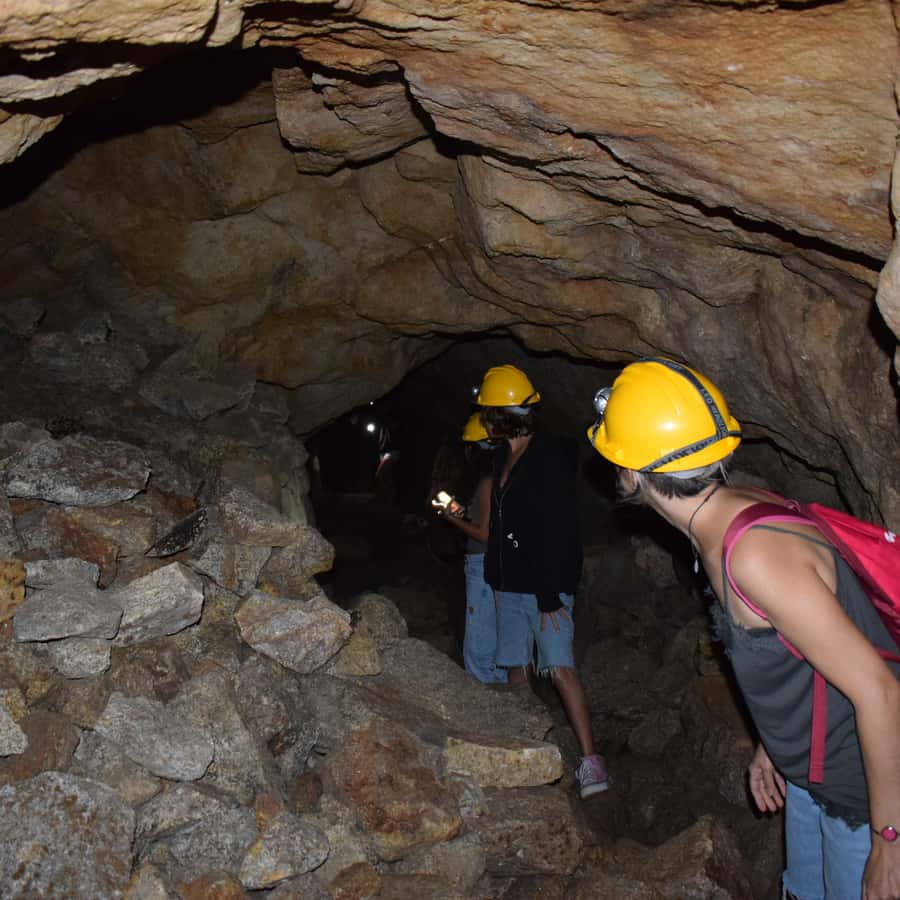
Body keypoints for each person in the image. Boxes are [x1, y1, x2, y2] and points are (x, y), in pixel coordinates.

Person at [586, 356, 900, 900]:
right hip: (808, 776)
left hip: (861, 796)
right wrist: (772, 743)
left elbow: (880, 692)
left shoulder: (752, 554)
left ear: (632, 473)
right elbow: (790, 652)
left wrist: (888, 842)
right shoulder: (726, 517)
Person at [474, 364, 609, 799]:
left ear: (503, 414)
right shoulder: (502, 455)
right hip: (509, 583)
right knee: (516, 666)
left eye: (489, 412)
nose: (485, 420)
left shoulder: (548, 456)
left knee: (559, 666)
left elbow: (557, 528)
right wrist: (496, 576)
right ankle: (530, 746)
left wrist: (551, 594)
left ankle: (591, 762)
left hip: (543, 587)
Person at [433, 413, 507, 684]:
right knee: (495, 639)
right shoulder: (501, 479)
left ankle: (486, 708)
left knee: (479, 648)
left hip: (483, 564)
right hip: (493, 564)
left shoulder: (488, 483)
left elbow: (486, 535)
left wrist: (452, 519)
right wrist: (463, 514)